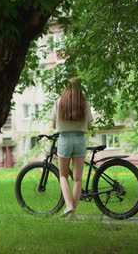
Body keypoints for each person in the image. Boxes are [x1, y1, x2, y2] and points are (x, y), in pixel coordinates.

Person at [51, 78, 93, 218]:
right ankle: (72, 211)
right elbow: (88, 125)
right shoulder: (85, 103)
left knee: (63, 175)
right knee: (77, 178)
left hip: (64, 140)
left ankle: (69, 206)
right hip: (79, 140)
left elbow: (53, 125)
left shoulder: (59, 102)